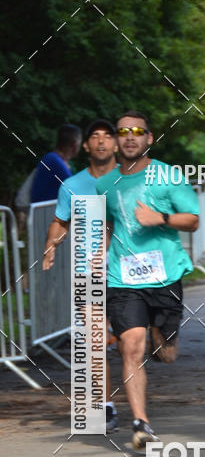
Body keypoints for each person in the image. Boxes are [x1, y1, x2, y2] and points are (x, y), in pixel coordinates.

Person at [96, 111, 199, 449]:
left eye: (137, 131)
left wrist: (160, 218)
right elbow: (108, 225)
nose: (129, 137)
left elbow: (193, 220)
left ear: (149, 138)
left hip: (165, 275)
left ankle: (160, 338)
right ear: (115, 139)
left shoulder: (169, 175)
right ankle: (141, 424)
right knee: (131, 345)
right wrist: (97, 256)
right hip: (122, 279)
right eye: (123, 131)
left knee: (165, 353)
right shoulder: (104, 184)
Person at [42, 118, 119, 431]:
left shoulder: (130, 180)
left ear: (115, 144)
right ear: (86, 146)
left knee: (136, 342)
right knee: (94, 340)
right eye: (94, 137)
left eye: (107, 136)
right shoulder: (72, 186)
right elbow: (61, 221)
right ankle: (105, 405)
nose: (101, 141)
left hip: (130, 274)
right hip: (90, 273)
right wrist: (51, 244)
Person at [30, 124, 81, 203]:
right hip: (46, 213)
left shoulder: (51, 158)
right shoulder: (55, 162)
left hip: (45, 211)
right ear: (75, 144)